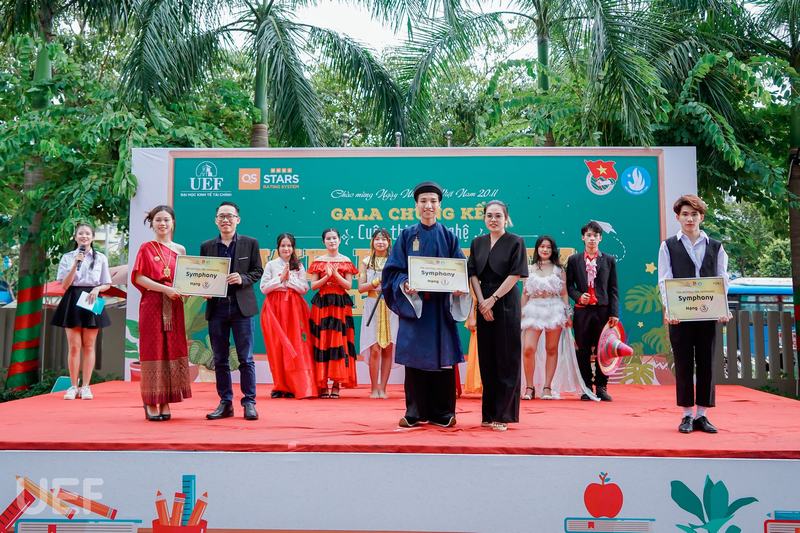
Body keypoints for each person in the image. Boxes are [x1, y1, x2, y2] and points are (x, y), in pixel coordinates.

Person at [382, 181, 471, 428]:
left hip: (441, 310)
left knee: (443, 359)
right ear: (416, 205)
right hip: (416, 309)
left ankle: (443, 413)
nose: (428, 206)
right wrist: (404, 283)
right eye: (423, 201)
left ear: (440, 205)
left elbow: (460, 271)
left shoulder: (449, 237)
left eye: (433, 201)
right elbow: (392, 271)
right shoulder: (406, 236)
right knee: (415, 359)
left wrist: (459, 287)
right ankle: (414, 412)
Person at [658, 194, 730, 434]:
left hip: (708, 313)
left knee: (707, 361)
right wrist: (669, 309)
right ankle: (687, 414)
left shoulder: (716, 246)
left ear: (702, 217)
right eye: (685, 214)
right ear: (678, 217)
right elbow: (664, 279)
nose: (690, 219)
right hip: (680, 314)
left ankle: (703, 415)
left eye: (694, 214)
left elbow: (722, 279)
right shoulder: (668, 245)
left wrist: (723, 308)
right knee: (684, 363)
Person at [467, 200, 528, 431]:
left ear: (506, 218)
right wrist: (482, 301)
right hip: (483, 302)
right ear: (484, 218)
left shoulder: (516, 242)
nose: (493, 220)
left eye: (498, 216)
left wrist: (492, 299)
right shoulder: (478, 242)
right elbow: (472, 274)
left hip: (506, 303)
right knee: (488, 359)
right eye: (489, 216)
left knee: (506, 359)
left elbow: (515, 275)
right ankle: (489, 413)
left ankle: (503, 415)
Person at [200, 202, 263, 421]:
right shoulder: (207, 246)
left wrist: (242, 278)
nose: (225, 220)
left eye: (229, 216)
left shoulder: (250, 243)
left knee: (246, 358)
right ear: (215, 220)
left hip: (241, 307)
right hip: (217, 308)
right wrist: (204, 290)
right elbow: (202, 275)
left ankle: (249, 402)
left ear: (238, 219)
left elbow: (257, 271)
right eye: (221, 216)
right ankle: (225, 402)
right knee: (220, 358)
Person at [131, 205, 192, 421]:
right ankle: (150, 400)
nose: (162, 223)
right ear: (152, 223)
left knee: (170, 349)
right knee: (153, 349)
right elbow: (139, 278)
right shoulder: (146, 248)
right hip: (152, 303)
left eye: (166, 219)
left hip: (174, 305)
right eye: (158, 220)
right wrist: (165, 289)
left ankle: (165, 399)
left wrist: (190, 290)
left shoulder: (180, 250)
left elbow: (186, 279)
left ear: (173, 223)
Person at [522, 236, 597, 402]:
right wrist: (521, 313)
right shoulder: (529, 269)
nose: (545, 250)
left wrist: (567, 314)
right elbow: (525, 293)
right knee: (528, 348)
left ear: (553, 250)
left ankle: (547, 387)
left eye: (548, 247)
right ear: (537, 249)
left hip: (554, 309)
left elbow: (564, 294)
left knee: (551, 349)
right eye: (542, 246)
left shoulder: (559, 270)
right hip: (533, 309)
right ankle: (529, 387)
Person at [52, 223, 112, 400]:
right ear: (75, 237)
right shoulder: (67, 257)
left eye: (87, 233)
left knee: (89, 345)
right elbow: (64, 284)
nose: (84, 236)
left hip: (92, 298)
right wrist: (75, 264)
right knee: (74, 346)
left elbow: (107, 283)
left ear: (92, 237)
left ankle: (86, 386)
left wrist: (97, 289)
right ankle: (73, 386)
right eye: (80, 233)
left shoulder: (101, 258)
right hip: (72, 298)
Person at [259, 233, 317, 399]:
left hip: (294, 309)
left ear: (293, 248)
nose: (286, 249)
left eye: (289, 246)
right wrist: (280, 279)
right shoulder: (271, 265)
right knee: (277, 346)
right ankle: (280, 385)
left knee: (296, 346)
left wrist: (289, 279)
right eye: (283, 245)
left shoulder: (298, 266)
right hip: (274, 308)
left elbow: (304, 288)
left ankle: (295, 385)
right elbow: (263, 288)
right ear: (278, 248)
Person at [566, 221, 619, 402]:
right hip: (582, 312)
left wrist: (614, 313)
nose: (592, 239)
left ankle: (602, 387)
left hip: (603, 311)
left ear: (600, 238)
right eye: (588, 235)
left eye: (595, 236)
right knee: (583, 350)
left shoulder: (609, 260)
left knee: (603, 349)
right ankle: (587, 387)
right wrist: (579, 296)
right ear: (583, 237)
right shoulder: (574, 260)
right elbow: (569, 286)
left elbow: (613, 289)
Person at [308, 228, 359, 398]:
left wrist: (336, 275)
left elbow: (348, 286)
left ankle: (337, 384)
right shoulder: (318, 261)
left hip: (340, 305)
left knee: (339, 340)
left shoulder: (346, 261)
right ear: (324, 241)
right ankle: (322, 384)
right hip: (322, 304)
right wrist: (326, 277)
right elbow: (313, 286)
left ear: (340, 240)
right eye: (328, 238)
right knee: (322, 340)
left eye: (334, 238)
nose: (332, 241)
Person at [357, 228, 399, 398]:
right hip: (372, 305)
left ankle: (383, 388)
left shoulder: (395, 262)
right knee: (374, 348)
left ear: (389, 242)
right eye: (377, 239)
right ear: (372, 242)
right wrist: (376, 282)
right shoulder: (366, 262)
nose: (380, 242)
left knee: (388, 346)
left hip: (390, 306)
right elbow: (361, 288)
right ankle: (374, 388)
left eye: (384, 239)